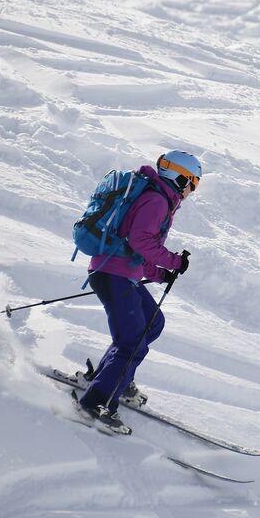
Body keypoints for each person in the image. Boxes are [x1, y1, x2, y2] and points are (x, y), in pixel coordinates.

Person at [75, 150, 201, 433]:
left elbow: (135, 249)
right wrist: (174, 261)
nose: (193, 189)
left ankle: (112, 377)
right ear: (180, 177)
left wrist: (160, 273)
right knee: (131, 341)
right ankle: (97, 401)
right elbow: (142, 241)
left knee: (152, 322)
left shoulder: (157, 198)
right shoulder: (157, 200)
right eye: (193, 182)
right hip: (113, 274)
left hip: (119, 272)